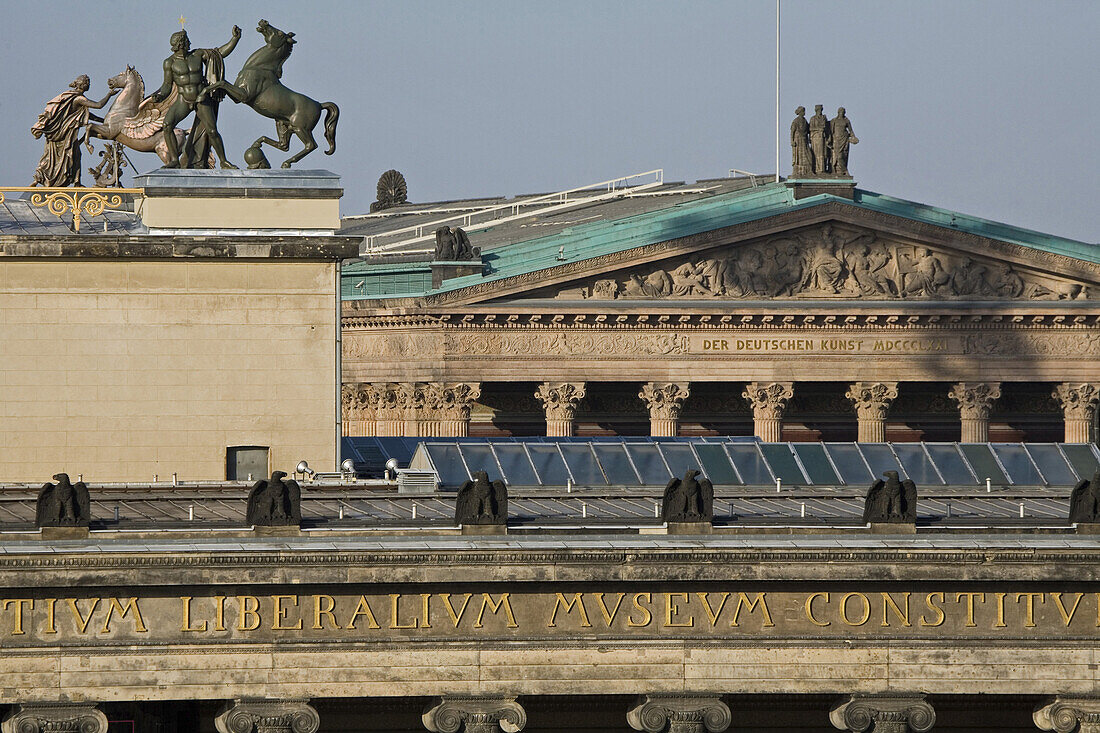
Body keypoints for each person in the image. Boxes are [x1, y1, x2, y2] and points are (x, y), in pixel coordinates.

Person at [151, 26, 241, 168]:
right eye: (187, 41)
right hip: (183, 101)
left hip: (201, 98)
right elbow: (167, 85)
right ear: (180, 44)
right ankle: (175, 160)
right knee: (167, 126)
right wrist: (160, 96)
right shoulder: (170, 62)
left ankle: (224, 161)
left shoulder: (197, 55)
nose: (189, 43)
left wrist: (235, 39)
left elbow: (219, 54)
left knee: (212, 130)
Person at [30, 75, 118, 187]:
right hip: (65, 134)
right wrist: (109, 95)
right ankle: (76, 182)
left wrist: (103, 121)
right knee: (72, 155)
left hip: (61, 133)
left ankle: (39, 178)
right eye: (87, 83)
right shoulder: (79, 99)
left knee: (52, 157)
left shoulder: (71, 96)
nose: (89, 85)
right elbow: (98, 105)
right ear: (82, 85)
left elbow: (87, 115)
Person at [830, 107, 859, 176]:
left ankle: (843, 170)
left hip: (845, 139)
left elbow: (851, 130)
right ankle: (839, 170)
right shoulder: (834, 121)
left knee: (844, 155)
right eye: (841, 112)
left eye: (843, 112)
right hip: (836, 140)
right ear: (838, 112)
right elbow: (831, 131)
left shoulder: (846, 121)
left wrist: (854, 137)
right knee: (837, 155)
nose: (842, 113)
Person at [790, 107, 812, 178]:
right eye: (803, 111)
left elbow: (809, 130)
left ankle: (807, 169)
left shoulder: (805, 120)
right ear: (800, 112)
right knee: (799, 155)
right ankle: (799, 169)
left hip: (804, 140)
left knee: (808, 154)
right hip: (798, 140)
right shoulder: (795, 121)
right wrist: (792, 141)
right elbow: (792, 132)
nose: (804, 113)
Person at [808, 104, 830, 176]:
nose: (820, 111)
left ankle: (822, 169)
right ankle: (816, 169)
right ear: (816, 110)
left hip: (823, 138)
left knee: (823, 153)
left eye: (821, 110)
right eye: (818, 110)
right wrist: (818, 129)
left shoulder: (824, 118)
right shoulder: (813, 119)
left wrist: (828, 137)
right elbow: (810, 128)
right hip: (815, 138)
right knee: (816, 153)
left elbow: (827, 128)